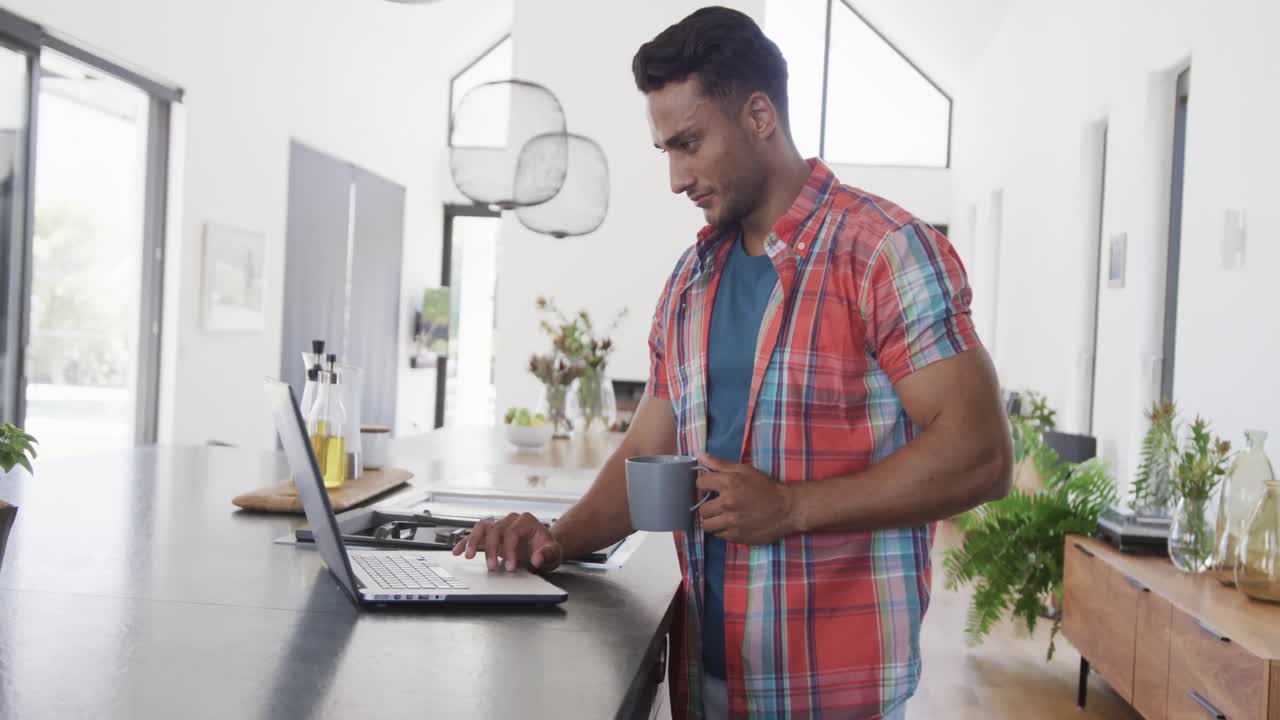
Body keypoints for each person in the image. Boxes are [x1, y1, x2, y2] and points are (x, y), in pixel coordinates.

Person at [453, 6, 1013, 718]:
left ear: (758, 116)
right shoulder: (691, 281)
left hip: (832, 696)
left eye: (689, 143)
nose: (677, 177)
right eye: (666, 151)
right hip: (703, 681)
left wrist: (794, 507)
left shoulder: (884, 252)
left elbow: (982, 456)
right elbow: (648, 457)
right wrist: (555, 540)